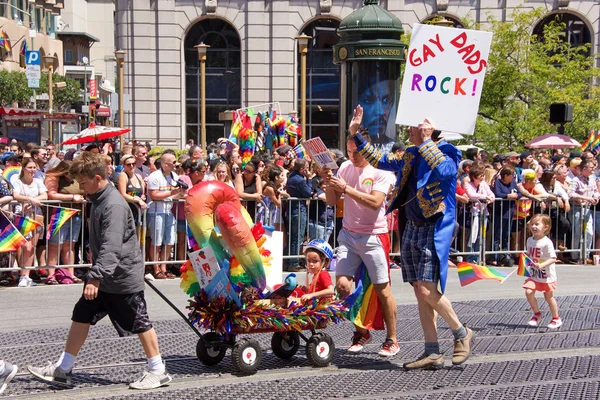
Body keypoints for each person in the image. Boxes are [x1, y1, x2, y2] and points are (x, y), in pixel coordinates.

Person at [27, 152, 172, 390]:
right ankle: (63, 369)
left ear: (96, 178)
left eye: (83, 183)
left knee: (139, 322)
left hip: (121, 277)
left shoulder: (113, 205)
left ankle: (158, 370)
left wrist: (95, 277)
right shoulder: (98, 198)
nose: (81, 188)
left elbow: (111, 247)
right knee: (81, 314)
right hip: (105, 276)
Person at [345, 105, 473, 368]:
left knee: (426, 289)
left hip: (433, 227)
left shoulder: (447, 150)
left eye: (414, 126)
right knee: (420, 291)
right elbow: (381, 160)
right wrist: (356, 134)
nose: (408, 130)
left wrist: (427, 141)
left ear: (428, 129)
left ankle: (461, 332)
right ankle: (432, 351)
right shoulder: (411, 153)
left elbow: (448, 172)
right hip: (412, 225)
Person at [325, 118, 398, 358]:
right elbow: (332, 201)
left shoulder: (381, 170)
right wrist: (328, 180)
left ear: (368, 148)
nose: (352, 156)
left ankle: (392, 339)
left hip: (373, 236)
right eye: (349, 151)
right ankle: (361, 331)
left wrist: (345, 189)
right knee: (343, 286)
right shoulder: (345, 167)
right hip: (348, 234)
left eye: (357, 151)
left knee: (382, 289)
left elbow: (376, 202)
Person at [44, 161, 85, 284]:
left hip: (76, 214)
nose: (72, 175)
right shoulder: (53, 177)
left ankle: (70, 274)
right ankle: (51, 275)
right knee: (55, 245)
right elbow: (51, 194)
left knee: (70, 246)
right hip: (60, 214)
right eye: (69, 173)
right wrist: (72, 197)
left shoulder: (77, 178)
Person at [147, 152, 185, 279]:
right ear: (165, 164)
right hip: (156, 211)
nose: (176, 165)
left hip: (169, 211)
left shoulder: (174, 176)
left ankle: (164, 267)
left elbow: (174, 195)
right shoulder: (155, 176)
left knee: (169, 241)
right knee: (157, 241)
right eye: (174, 162)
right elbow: (153, 195)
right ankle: (156, 268)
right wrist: (171, 192)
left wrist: (180, 193)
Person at [13, 158, 48, 288]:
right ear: (23, 168)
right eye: (30, 167)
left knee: (32, 247)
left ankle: (27, 275)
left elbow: (45, 195)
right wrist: (29, 199)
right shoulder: (18, 181)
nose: (32, 170)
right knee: (26, 247)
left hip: (37, 216)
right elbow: (15, 195)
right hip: (23, 216)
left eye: (34, 168)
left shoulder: (38, 181)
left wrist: (34, 200)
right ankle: (22, 275)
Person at [524, 214, 562, 329]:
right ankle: (537, 314)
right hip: (535, 274)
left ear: (545, 227)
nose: (533, 227)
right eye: (532, 224)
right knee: (528, 292)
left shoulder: (547, 242)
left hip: (546, 275)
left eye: (537, 224)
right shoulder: (529, 240)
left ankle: (556, 318)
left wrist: (542, 265)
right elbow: (530, 254)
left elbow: (553, 258)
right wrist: (525, 257)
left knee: (548, 297)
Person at [285, 159, 312, 272]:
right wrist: (309, 179)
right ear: (302, 169)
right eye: (306, 167)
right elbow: (308, 193)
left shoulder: (291, 176)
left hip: (292, 210)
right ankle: (293, 263)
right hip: (298, 210)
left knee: (292, 237)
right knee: (297, 238)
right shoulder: (300, 180)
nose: (307, 169)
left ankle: (290, 261)